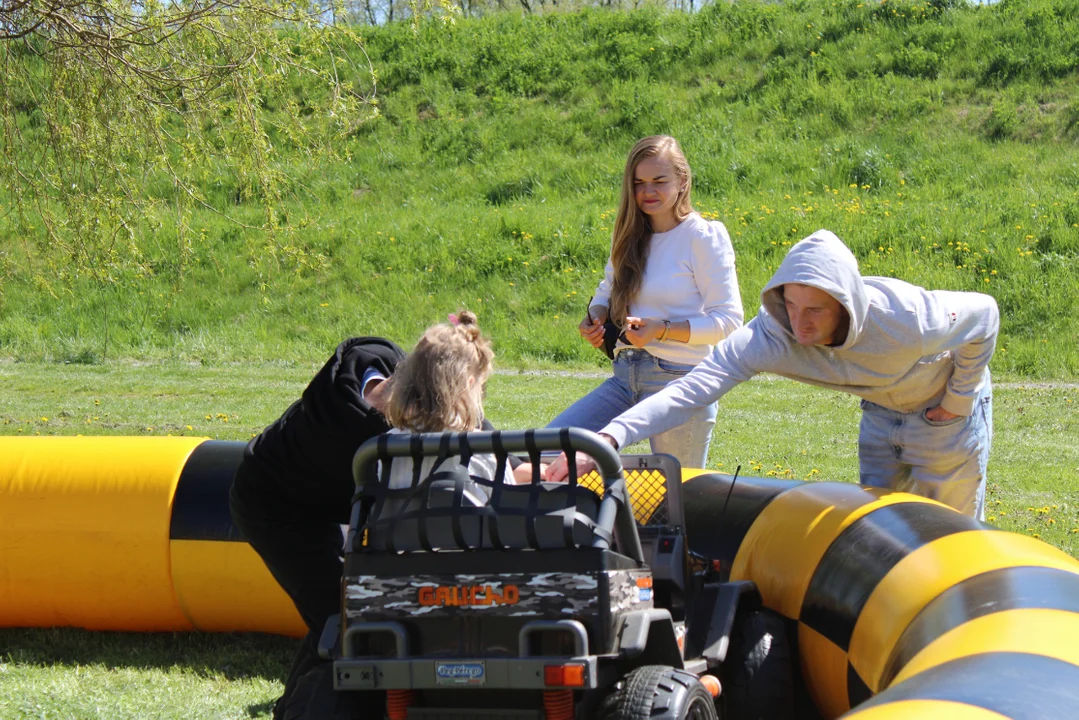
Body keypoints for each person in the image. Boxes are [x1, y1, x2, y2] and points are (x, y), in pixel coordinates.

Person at [548, 229, 998, 520]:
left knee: (954, 533)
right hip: (880, 411)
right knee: (883, 528)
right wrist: (610, 439)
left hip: (944, 416)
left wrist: (959, 398)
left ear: (845, 305)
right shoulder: (772, 333)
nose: (800, 325)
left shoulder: (906, 318)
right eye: (791, 305)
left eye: (816, 311)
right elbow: (694, 387)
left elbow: (986, 315)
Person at [229, 320, 535, 719]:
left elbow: (467, 433)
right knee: (343, 619)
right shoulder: (370, 439)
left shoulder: (392, 404)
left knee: (350, 613)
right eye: (479, 388)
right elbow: (481, 464)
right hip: (274, 503)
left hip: (327, 495)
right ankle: (301, 709)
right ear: (459, 391)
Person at [547, 135, 744, 470]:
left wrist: (661, 331)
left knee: (674, 502)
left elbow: (728, 321)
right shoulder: (628, 234)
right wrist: (594, 317)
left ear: (682, 181)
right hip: (625, 378)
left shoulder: (703, 237)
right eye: (639, 183)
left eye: (658, 181)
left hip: (682, 384)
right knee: (549, 452)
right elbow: (606, 289)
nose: (647, 191)